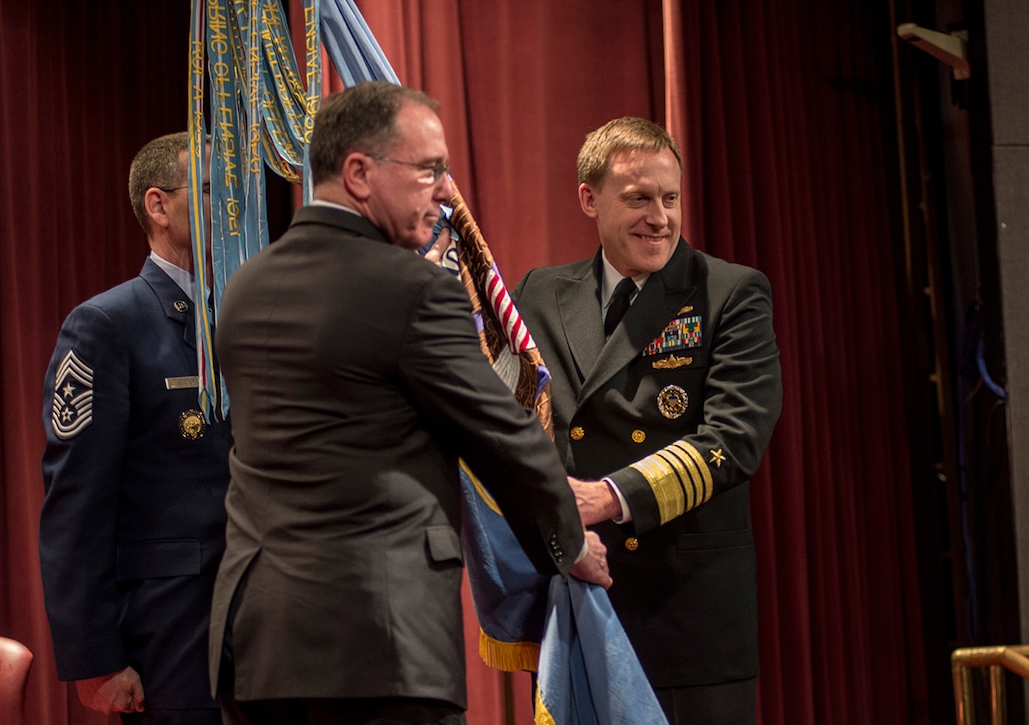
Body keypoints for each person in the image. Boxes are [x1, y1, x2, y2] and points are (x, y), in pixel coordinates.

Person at [208, 80, 611, 725]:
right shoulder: (414, 289)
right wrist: (569, 545)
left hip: (257, 647)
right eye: (429, 170)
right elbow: (503, 436)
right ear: (360, 174)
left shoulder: (245, 288)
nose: (446, 191)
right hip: (378, 645)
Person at [513, 116, 783, 725]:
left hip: (688, 616)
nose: (659, 217)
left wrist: (606, 498)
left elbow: (734, 440)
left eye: (670, 197)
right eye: (637, 198)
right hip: (582, 594)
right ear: (589, 199)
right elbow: (519, 429)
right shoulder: (539, 293)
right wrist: (557, 521)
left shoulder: (730, 292)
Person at [39, 132, 232, 724]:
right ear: (158, 205)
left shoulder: (237, 316)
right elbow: (76, 504)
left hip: (258, 620)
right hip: (169, 628)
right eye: (208, 191)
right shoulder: (106, 325)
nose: (227, 207)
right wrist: (95, 658)